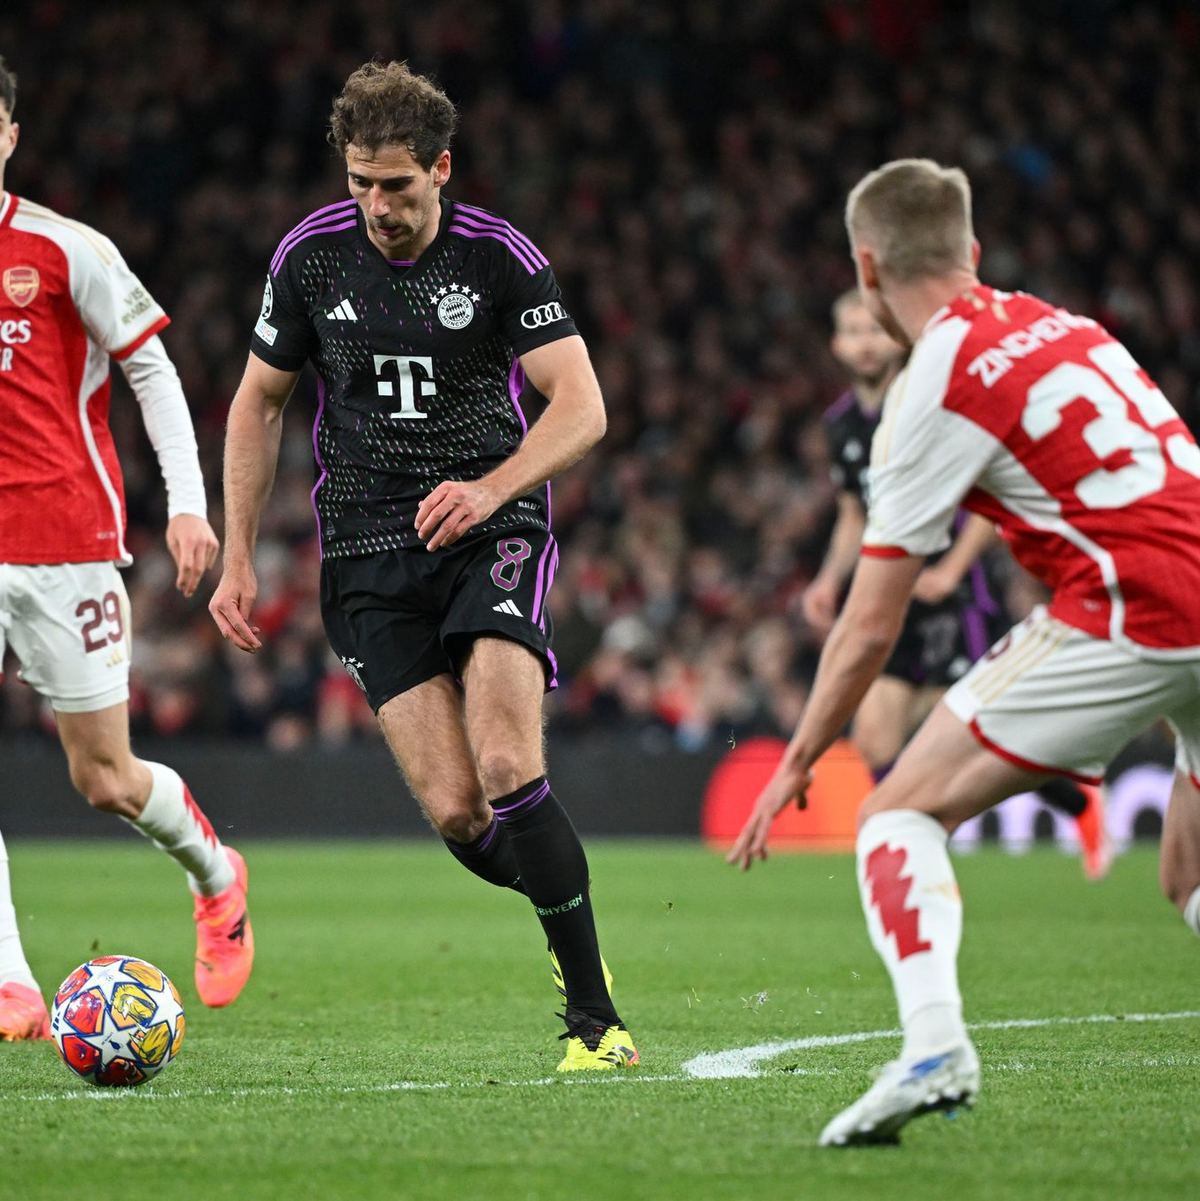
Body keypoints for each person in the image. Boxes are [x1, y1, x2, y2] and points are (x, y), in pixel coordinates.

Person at [729, 158, 1200, 1144]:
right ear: (972, 252)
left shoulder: (931, 381)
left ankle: (935, 1045)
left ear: (867, 268)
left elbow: (868, 622)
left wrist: (803, 756)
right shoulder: (1071, 326)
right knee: (1187, 876)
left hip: (1135, 605)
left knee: (896, 813)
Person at [209, 61, 636, 1071]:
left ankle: (594, 1015)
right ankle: (559, 897)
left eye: (397, 184)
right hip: (362, 546)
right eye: (359, 181)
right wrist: (236, 555)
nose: (377, 206)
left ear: (441, 169)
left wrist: (493, 488)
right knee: (458, 811)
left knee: (503, 763)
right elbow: (256, 403)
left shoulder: (499, 259)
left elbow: (582, 405)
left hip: (490, 532)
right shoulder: (310, 259)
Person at [0, 57, 253, 1041]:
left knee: (103, 777)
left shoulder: (66, 250)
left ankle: (216, 875)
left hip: (65, 538)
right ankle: (13, 983)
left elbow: (150, 368)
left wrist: (188, 506)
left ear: (12, 135)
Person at [806, 290, 1110, 877]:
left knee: (977, 733)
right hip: (888, 591)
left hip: (955, 594)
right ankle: (906, 848)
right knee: (873, 736)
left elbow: (988, 497)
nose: (866, 341)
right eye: (853, 331)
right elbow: (854, 513)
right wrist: (827, 580)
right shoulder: (839, 425)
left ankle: (1075, 801)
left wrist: (950, 570)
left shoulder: (930, 403)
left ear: (896, 335)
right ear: (836, 345)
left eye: (875, 328)